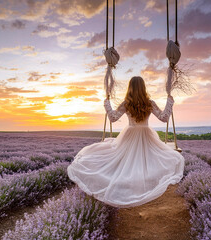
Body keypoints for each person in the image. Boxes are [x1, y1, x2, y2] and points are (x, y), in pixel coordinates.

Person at [67, 76, 184, 208]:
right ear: (143, 87)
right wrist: (169, 102)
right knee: (147, 161)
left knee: (123, 161)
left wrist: (107, 104)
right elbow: (164, 118)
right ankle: (142, 183)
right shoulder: (150, 103)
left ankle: (126, 184)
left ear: (130, 88)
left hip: (130, 134)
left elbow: (113, 118)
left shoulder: (126, 103)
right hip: (146, 135)